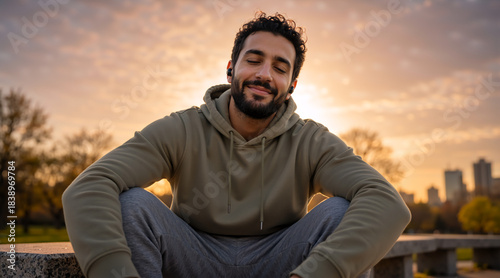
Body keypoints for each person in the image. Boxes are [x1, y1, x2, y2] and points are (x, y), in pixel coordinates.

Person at [62, 12, 411, 278]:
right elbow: (89, 187)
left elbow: (387, 203)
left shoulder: (311, 139)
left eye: (279, 67)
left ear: (291, 85)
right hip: (192, 257)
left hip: (281, 260)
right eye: (254, 60)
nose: (264, 75)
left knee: (340, 211)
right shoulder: (182, 127)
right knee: (133, 203)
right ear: (231, 69)